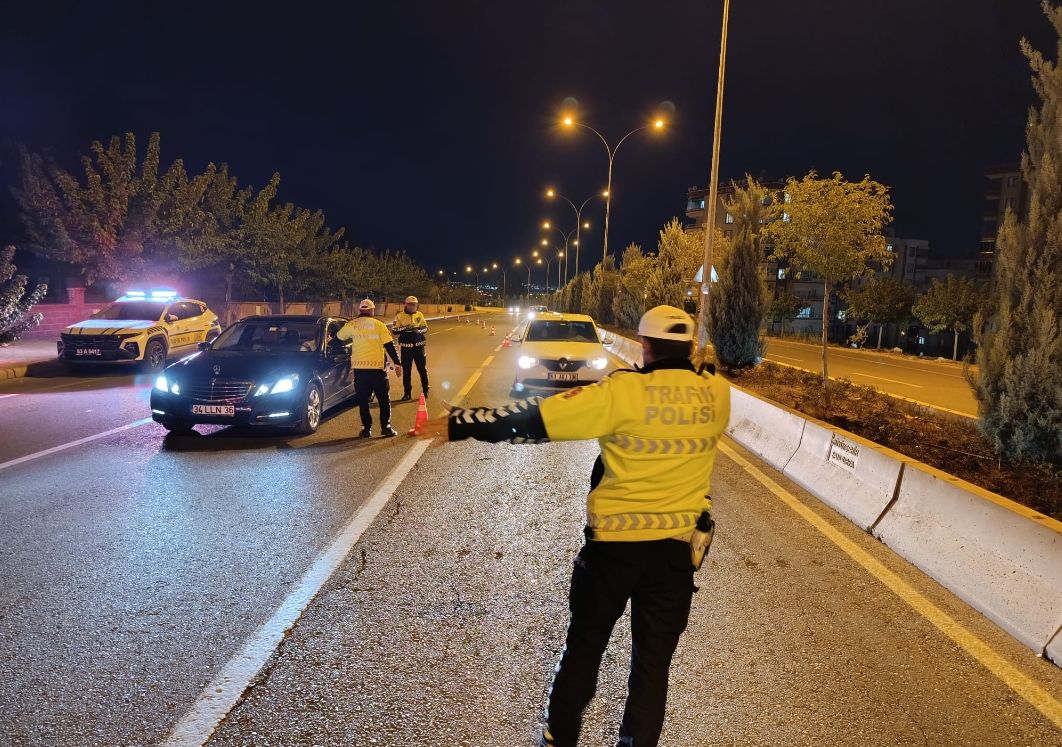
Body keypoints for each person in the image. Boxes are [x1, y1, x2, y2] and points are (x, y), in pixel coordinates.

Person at [424, 305, 730, 746]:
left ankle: (559, 736)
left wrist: (461, 424)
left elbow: (539, 418)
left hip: (614, 551)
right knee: (652, 666)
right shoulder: (715, 394)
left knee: (585, 648)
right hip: (676, 556)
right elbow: (709, 373)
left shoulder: (623, 393)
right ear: (688, 347)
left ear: (644, 345)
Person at [336, 299, 403, 438]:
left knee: (363, 400)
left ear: (360, 310)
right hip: (377, 369)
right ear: (372, 310)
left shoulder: (352, 324)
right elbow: (389, 345)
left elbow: (338, 338)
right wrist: (397, 363)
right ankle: (386, 427)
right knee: (383, 399)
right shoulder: (379, 324)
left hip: (360, 370)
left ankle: (366, 429)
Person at [392, 295, 430, 401]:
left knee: (422, 369)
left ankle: (426, 389)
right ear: (406, 305)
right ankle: (407, 393)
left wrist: (419, 331)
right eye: (410, 304)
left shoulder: (420, 314)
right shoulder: (399, 316)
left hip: (419, 347)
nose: (413, 306)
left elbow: (425, 327)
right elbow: (394, 330)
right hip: (406, 348)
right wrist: (406, 328)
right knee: (407, 371)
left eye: (415, 304)